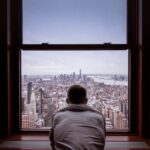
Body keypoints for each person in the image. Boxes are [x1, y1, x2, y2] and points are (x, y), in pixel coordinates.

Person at [49, 84, 106, 150]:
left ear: (67, 101)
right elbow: (102, 141)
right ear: (86, 101)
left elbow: (53, 143)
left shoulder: (57, 116)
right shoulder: (99, 117)